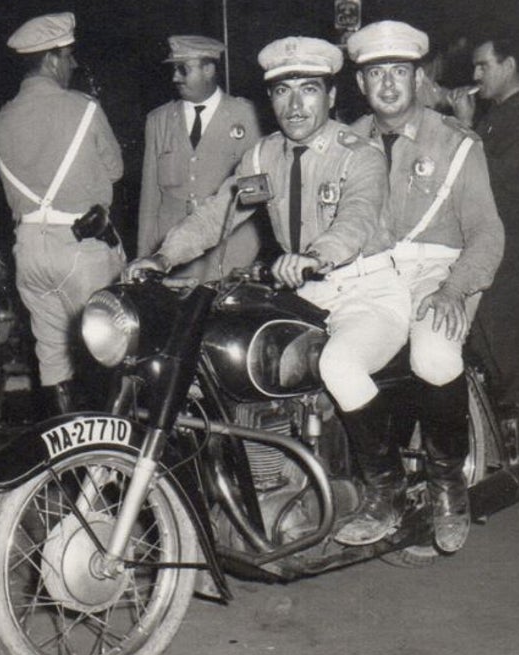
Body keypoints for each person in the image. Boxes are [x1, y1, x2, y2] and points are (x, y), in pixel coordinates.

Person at [127, 35, 413, 546]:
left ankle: (385, 491)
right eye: (283, 92)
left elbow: (357, 216)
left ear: (330, 96)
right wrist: (164, 255)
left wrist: (317, 255)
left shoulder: (357, 155)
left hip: (366, 290)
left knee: (339, 366)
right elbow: (218, 212)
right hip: (302, 297)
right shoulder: (264, 155)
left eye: (308, 90)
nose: (295, 104)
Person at [345, 20, 505, 551]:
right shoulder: (345, 144)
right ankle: (381, 489)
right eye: (374, 74)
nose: (387, 84)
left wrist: (454, 290)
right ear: (361, 85)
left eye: (399, 72)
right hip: (368, 275)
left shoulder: (455, 142)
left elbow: (485, 232)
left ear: (417, 79)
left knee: (434, 355)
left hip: (437, 271)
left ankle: (447, 483)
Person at [0, 12, 125, 414]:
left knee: (51, 359)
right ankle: (107, 464)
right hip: (80, 248)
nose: (71, 66)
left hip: (29, 251)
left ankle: (67, 461)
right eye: (68, 58)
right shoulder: (83, 108)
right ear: (52, 59)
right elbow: (115, 169)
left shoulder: (0, 120)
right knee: (110, 352)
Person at [449, 30, 519, 459]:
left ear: (509, 66)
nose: (475, 74)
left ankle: (515, 447)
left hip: (509, 243)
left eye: (483, 65)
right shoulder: (503, 111)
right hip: (489, 239)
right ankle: (498, 441)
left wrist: (467, 126)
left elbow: (498, 177)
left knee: (508, 343)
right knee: (485, 343)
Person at [137, 35, 262, 281]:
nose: (175, 77)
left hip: (232, 252)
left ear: (209, 69)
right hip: (171, 255)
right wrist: (144, 255)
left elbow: (258, 195)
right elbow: (149, 201)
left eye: (183, 69)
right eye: (174, 69)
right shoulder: (158, 120)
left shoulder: (248, 116)